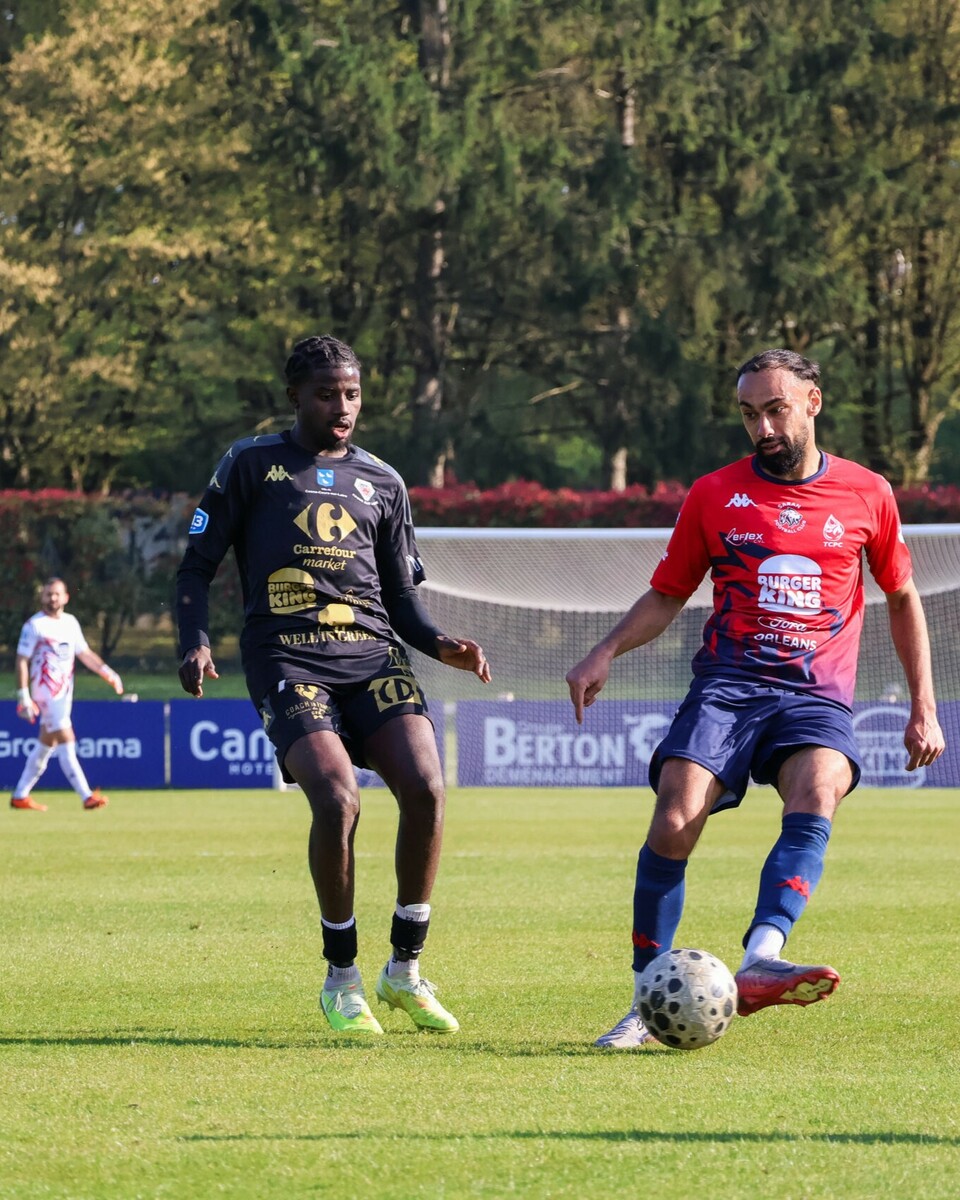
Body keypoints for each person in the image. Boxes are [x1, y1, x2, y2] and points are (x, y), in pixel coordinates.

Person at [566, 348, 945, 1048]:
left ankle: (762, 957)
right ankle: (648, 996)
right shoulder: (714, 494)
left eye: (775, 410)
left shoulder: (868, 493)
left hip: (816, 696)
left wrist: (923, 704)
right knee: (675, 816)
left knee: (820, 787)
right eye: (749, 414)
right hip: (728, 687)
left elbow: (901, 597)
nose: (763, 428)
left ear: (812, 403)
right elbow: (668, 593)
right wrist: (605, 650)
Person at [176, 334, 492, 1037]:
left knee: (427, 788)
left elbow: (402, 599)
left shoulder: (383, 481)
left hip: (372, 656)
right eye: (326, 394)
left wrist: (440, 642)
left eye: (351, 393)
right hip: (288, 657)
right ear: (295, 396)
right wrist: (194, 641)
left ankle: (404, 970)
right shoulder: (250, 463)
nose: (342, 406)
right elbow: (194, 566)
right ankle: (341, 977)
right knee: (338, 798)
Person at [12, 576, 123, 811]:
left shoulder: (70, 623)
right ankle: (86, 795)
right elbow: (22, 660)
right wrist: (24, 696)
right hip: (46, 692)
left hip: (64, 692)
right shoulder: (35, 626)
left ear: (66, 597)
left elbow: (84, 653)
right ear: (42, 597)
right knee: (66, 737)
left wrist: (108, 673)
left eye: (56, 594)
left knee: (46, 744)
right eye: (48, 594)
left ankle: (20, 795)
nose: (52, 598)